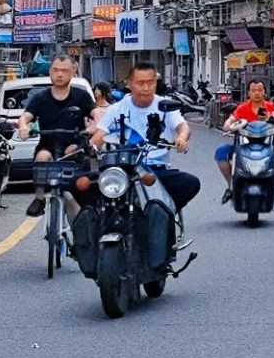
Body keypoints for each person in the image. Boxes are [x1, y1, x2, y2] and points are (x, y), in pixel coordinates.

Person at [92, 61, 199, 227]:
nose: (146, 87)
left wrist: (182, 138)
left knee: (190, 183)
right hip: (124, 168)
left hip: (156, 168)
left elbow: (183, 127)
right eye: (141, 83)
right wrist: (90, 148)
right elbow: (99, 135)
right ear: (129, 84)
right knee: (89, 186)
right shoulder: (117, 108)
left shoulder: (165, 106)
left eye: (151, 82)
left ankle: (166, 215)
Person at [18, 53, 95, 217]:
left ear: (73, 73)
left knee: (81, 201)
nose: (59, 74)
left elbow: (97, 114)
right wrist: (24, 127)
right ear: (50, 72)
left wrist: (92, 128)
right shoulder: (40, 97)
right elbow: (25, 117)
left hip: (75, 150)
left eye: (64, 71)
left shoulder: (81, 96)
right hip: (48, 146)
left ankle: (81, 233)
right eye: (55, 70)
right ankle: (39, 198)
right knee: (42, 156)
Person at [215, 79, 274, 203]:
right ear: (248, 93)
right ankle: (231, 186)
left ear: (265, 92)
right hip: (244, 146)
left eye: (260, 90)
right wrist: (229, 126)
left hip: (268, 145)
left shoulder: (272, 108)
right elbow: (228, 122)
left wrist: (273, 120)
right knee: (221, 152)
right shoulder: (242, 109)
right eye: (253, 90)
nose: (257, 93)